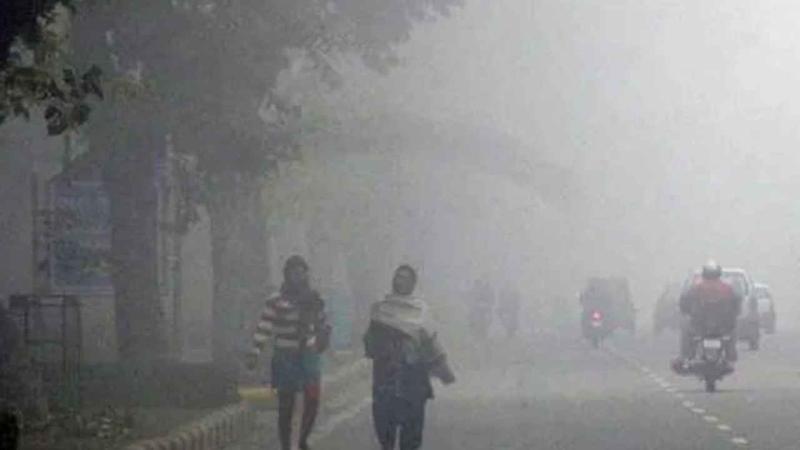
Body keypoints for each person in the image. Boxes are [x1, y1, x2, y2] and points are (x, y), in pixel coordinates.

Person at [364, 265, 456, 450]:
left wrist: (442, 368)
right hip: (385, 377)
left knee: (412, 432)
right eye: (397, 277)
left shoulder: (421, 311)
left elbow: (430, 342)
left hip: (413, 378)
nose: (400, 281)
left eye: (405, 278)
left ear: (413, 283)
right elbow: (370, 343)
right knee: (384, 428)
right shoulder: (380, 308)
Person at [246, 255, 331, 450]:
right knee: (286, 405)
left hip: (308, 355)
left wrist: (323, 338)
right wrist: (255, 351)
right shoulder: (276, 300)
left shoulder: (314, 299)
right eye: (294, 272)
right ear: (287, 274)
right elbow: (264, 327)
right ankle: (286, 444)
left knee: (312, 399)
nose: (298, 276)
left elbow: (322, 323)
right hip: (285, 356)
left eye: (301, 272)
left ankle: (302, 439)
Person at [678, 261, 742, 365]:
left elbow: (684, 303)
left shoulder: (696, 287)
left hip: (700, 325)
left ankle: (687, 356)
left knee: (688, 335)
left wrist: (687, 312)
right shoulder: (727, 288)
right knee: (731, 336)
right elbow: (736, 305)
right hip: (723, 326)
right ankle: (730, 354)